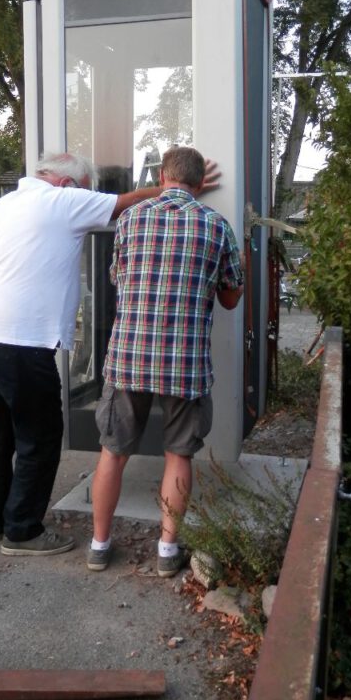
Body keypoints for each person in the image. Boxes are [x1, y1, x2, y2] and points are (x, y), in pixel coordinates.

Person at [0, 152, 218, 557]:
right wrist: (178, 188)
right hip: (24, 340)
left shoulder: (5, 203)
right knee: (40, 436)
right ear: (67, 185)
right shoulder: (61, 201)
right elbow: (125, 201)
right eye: (85, 189)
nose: (87, 198)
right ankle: (23, 530)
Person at [87, 145, 244, 578]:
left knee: (113, 452)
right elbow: (230, 299)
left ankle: (99, 545)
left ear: (162, 178)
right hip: (185, 362)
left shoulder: (131, 219)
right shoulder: (216, 226)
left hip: (129, 357)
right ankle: (165, 551)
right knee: (178, 455)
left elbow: (119, 279)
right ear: (199, 184)